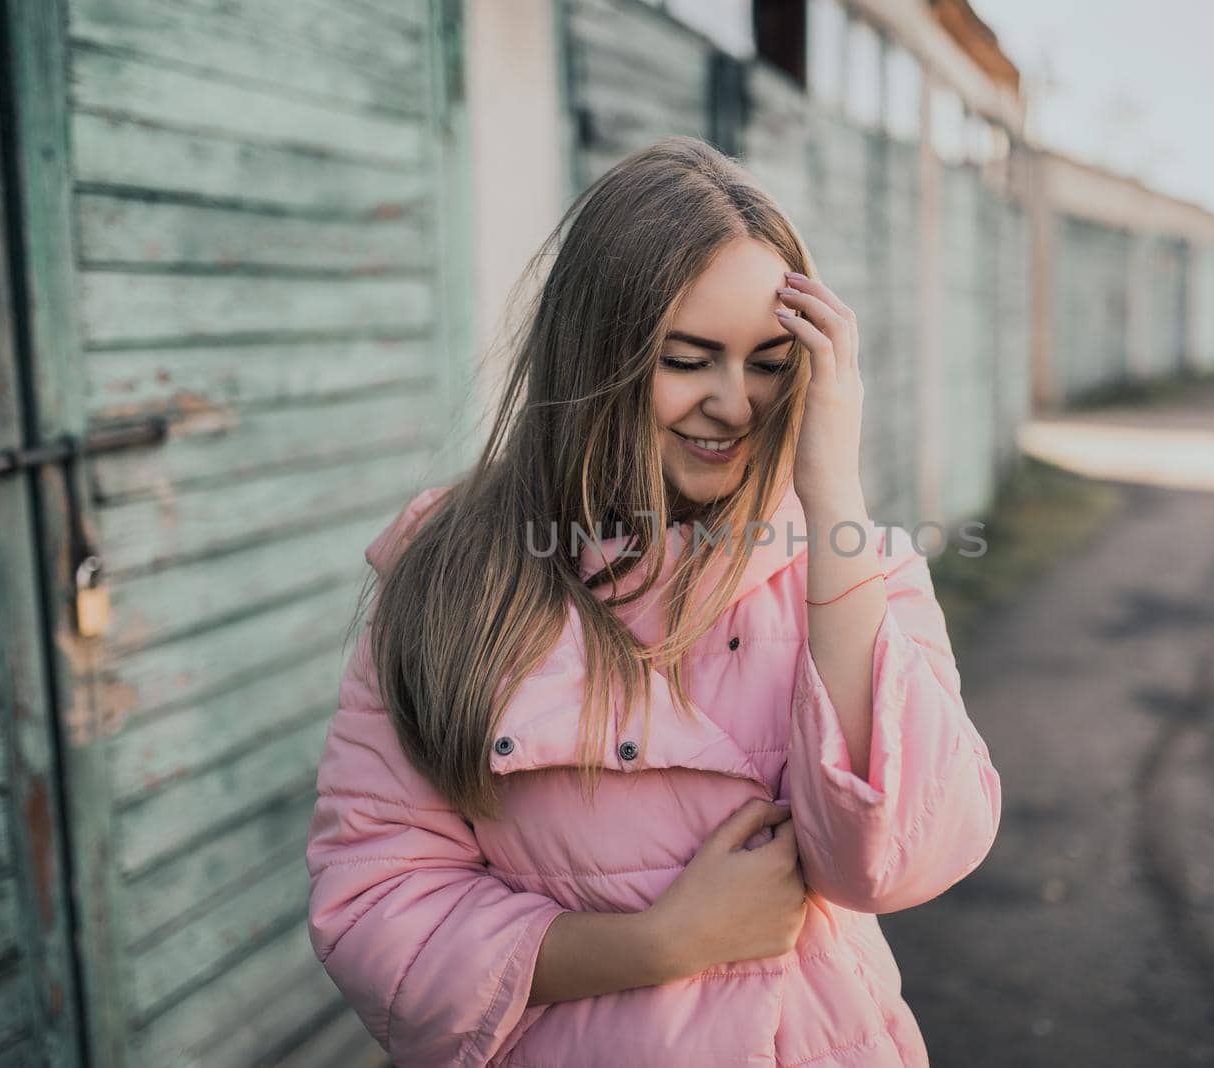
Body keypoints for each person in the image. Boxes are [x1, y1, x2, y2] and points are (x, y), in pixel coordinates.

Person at [304, 136, 1002, 1067]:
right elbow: (376, 906)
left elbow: (894, 859)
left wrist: (832, 492)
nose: (735, 404)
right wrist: (656, 946)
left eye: (767, 362)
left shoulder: (856, 568)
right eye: (688, 358)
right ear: (596, 355)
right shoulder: (453, 580)